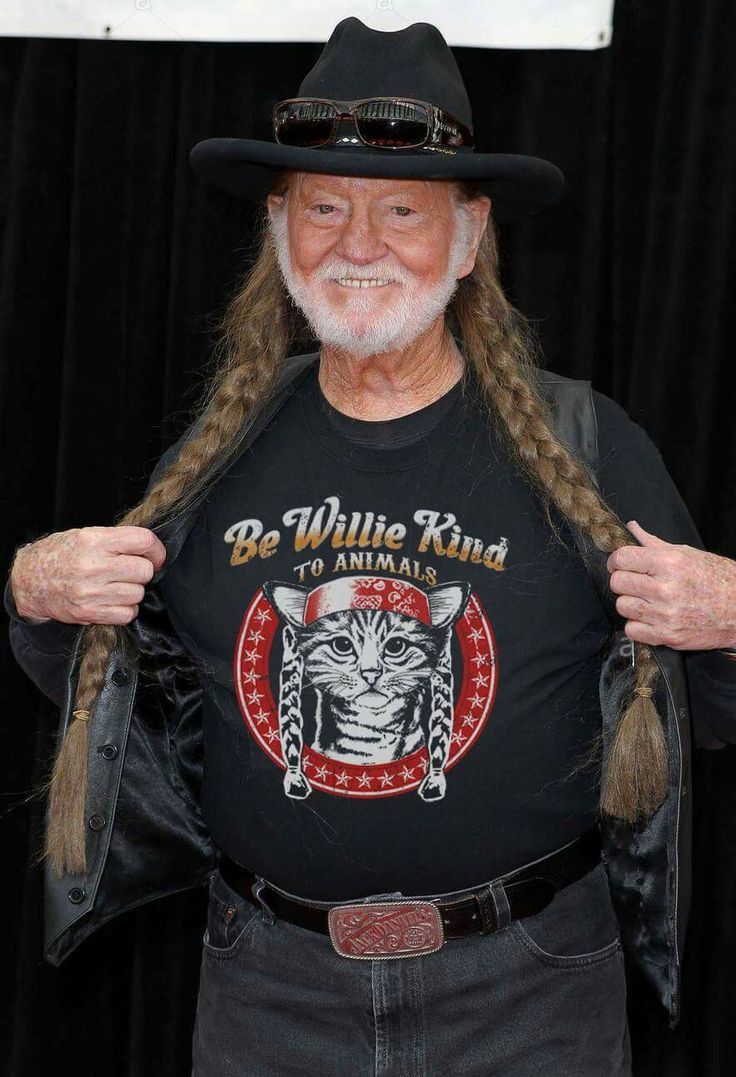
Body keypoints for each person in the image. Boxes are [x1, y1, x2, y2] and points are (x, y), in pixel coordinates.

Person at [6, 17, 736, 1076]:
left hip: (530, 994)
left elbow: (705, 714)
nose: (358, 243)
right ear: (278, 228)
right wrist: (30, 586)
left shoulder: (588, 443)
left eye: (401, 210)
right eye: (322, 208)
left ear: (469, 237)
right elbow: (110, 685)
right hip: (268, 989)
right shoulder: (219, 445)